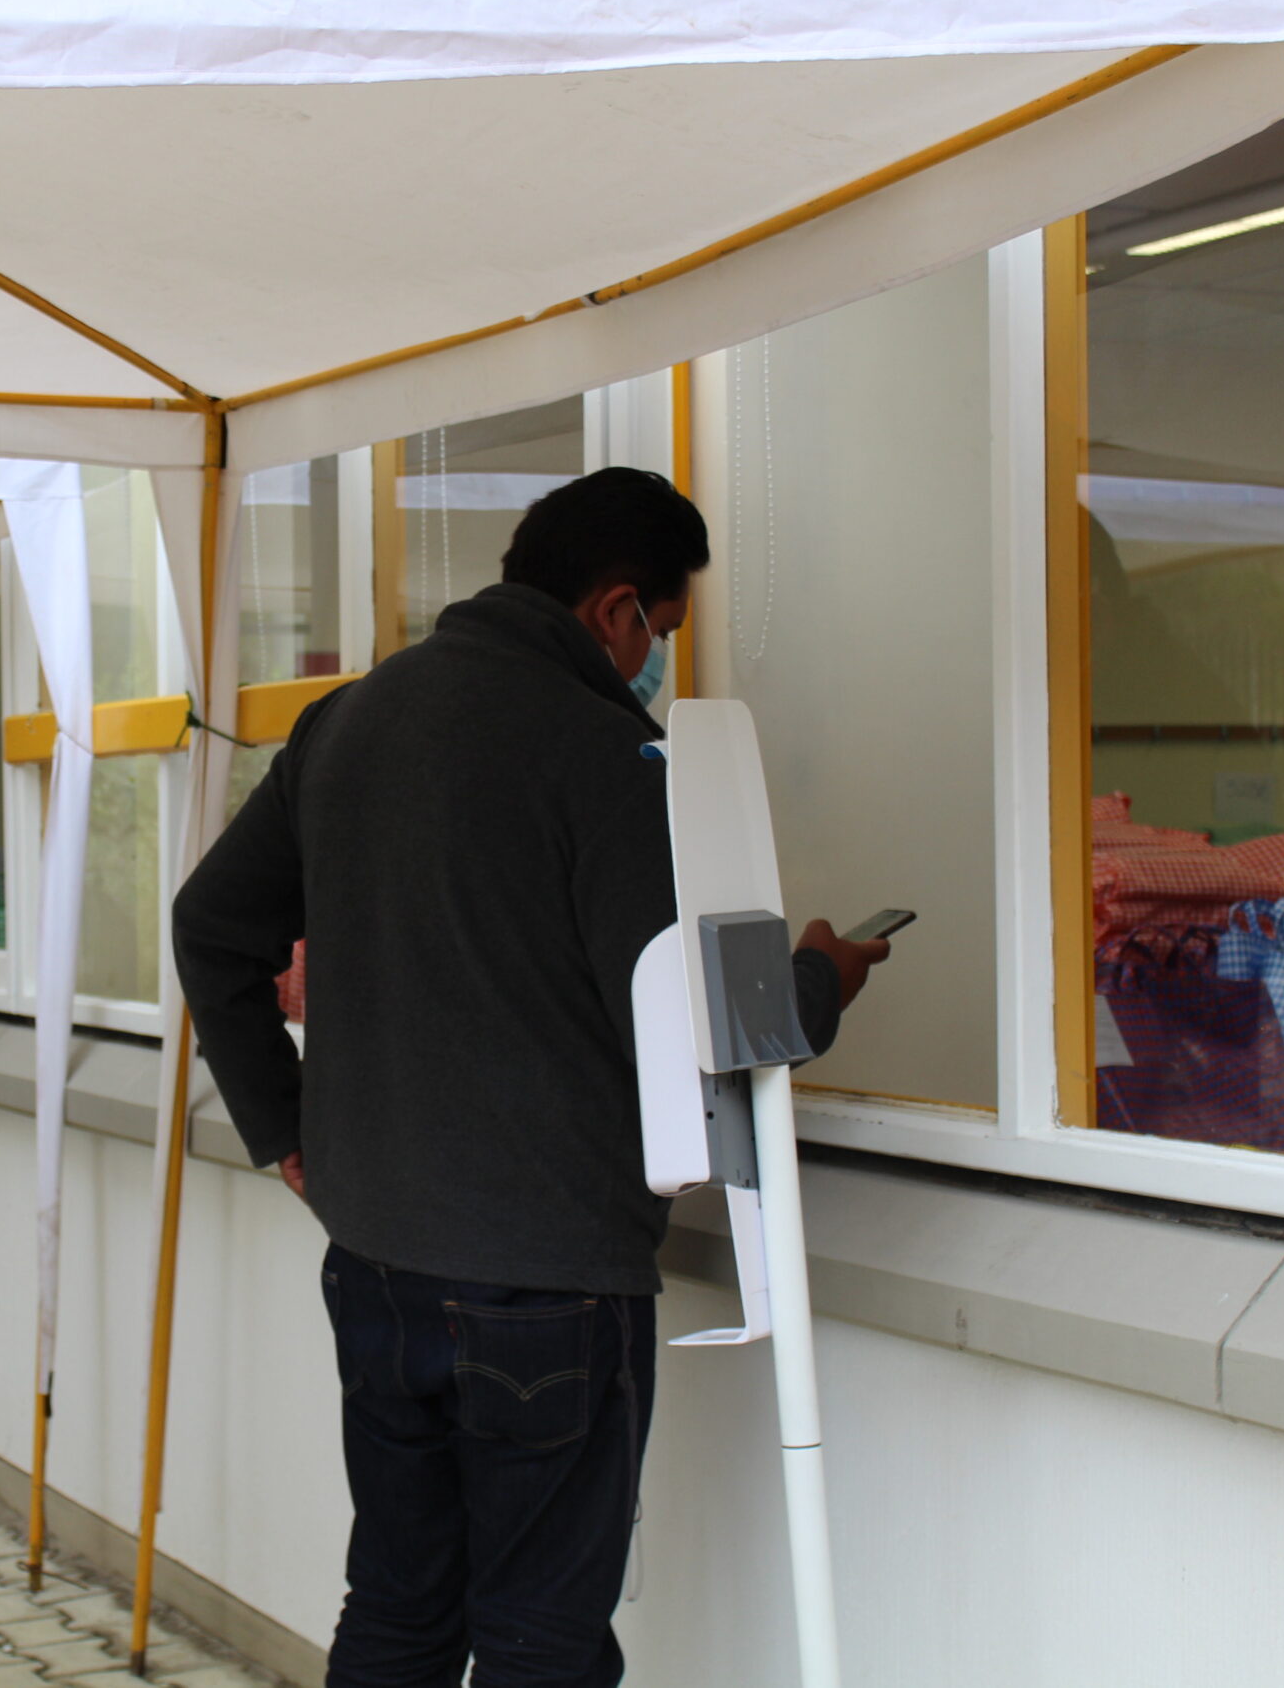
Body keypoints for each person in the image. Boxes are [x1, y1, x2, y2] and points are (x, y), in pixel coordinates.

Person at [171, 467, 890, 1687]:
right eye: (660, 631)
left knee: (396, 1609)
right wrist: (820, 975)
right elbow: (704, 1025)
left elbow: (208, 924)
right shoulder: (606, 753)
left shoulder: (347, 722)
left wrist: (285, 1127)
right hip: (547, 1280)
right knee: (540, 1641)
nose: (654, 662)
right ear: (614, 608)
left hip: (375, 1263)